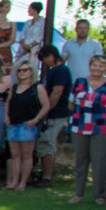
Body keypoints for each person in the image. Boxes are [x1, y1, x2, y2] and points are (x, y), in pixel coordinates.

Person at [69, 54, 106, 204]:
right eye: (95, 65)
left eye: (101, 66)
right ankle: (79, 194)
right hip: (80, 125)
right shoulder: (79, 82)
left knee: (100, 162)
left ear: (105, 68)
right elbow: (71, 102)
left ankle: (99, 196)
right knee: (80, 162)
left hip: (102, 127)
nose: (97, 68)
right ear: (90, 66)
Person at [4, 60, 49, 190]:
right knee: (15, 154)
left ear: (31, 72)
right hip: (13, 124)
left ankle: (22, 183)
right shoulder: (14, 87)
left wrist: (36, 119)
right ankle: (14, 182)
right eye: (19, 70)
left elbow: (46, 105)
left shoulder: (37, 88)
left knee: (26, 154)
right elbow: (8, 102)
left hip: (28, 125)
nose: (22, 73)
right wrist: (6, 116)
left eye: (25, 70)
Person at [35, 45, 74, 188]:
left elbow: (57, 92)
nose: (45, 61)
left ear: (51, 56)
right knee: (44, 144)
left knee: (47, 143)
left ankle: (47, 177)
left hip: (56, 113)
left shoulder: (61, 70)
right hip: (51, 113)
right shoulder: (54, 71)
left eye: (45, 58)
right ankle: (43, 173)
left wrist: (46, 109)